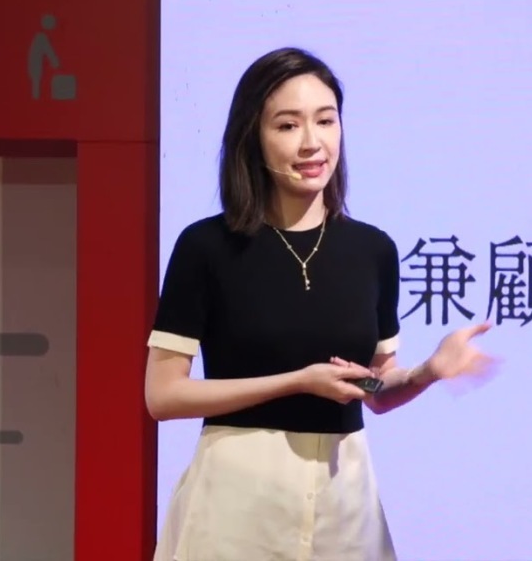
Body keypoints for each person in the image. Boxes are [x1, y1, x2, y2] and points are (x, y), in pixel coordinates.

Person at [145, 47, 496, 561]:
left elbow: (372, 388)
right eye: (288, 125)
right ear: (253, 137)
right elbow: (163, 396)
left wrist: (427, 372)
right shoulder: (207, 247)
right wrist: (296, 381)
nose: (312, 142)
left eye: (326, 121)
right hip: (237, 507)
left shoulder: (373, 250)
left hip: (344, 507)